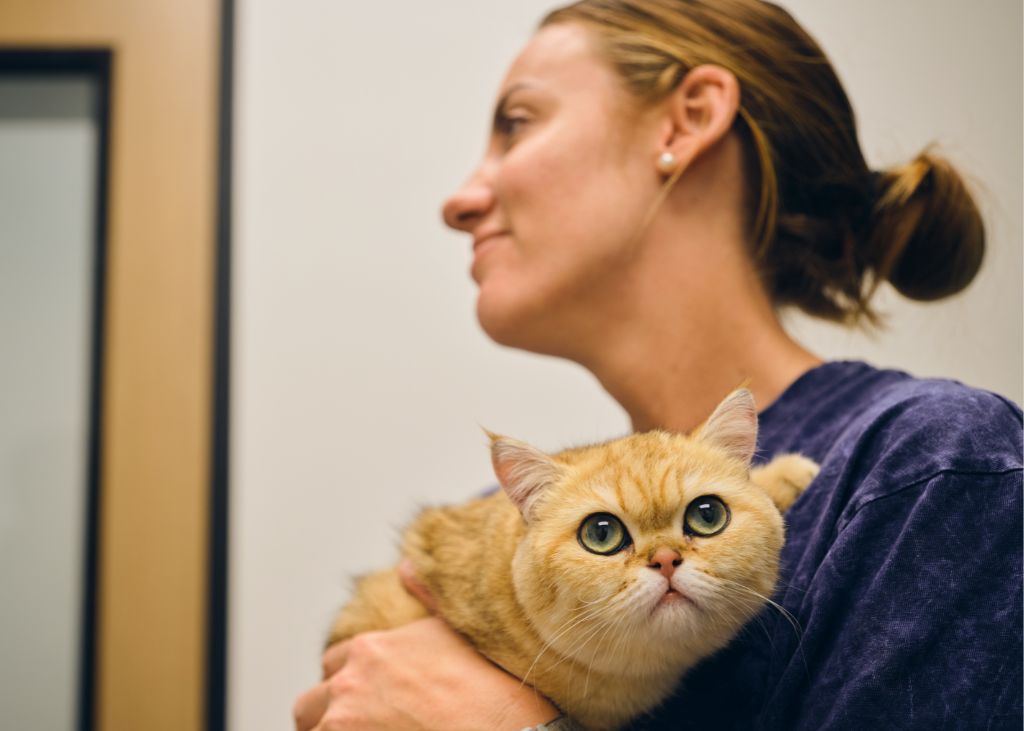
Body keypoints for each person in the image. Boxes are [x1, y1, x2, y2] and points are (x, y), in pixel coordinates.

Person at [292, 1, 1022, 729]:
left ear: (684, 122)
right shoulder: (508, 528)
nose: (459, 201)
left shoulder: (932, 463)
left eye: (517, 123)